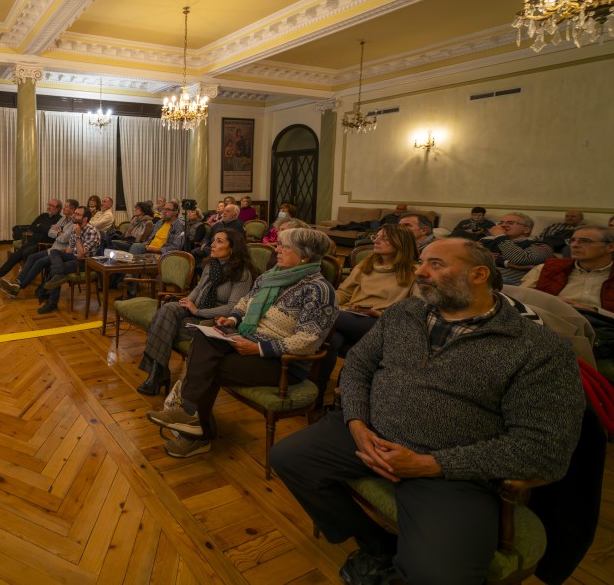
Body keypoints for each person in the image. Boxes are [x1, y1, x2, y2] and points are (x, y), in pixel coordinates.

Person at [269, 238, 584, 585]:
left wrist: (432, 465)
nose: (420, 271)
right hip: (369, 433)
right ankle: (377, 545)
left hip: (451, 467)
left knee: (441, 575)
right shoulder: (406, 313)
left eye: (436, 264)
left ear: (478, 274)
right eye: (421, 262)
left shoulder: (535, 348)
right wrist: (356, 421)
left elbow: (546, 448)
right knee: (288, 457)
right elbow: (359, 363)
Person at [145, 227, 337, 458]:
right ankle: (191, 419)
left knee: (208, 366)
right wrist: (233, 318)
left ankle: (195, 429)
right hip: (246, 340)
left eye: (285, 247)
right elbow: (245, 302)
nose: (277, 250)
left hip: (281, 362)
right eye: (279, 245)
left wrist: (259, 348)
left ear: (305, 255)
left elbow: (308, 340)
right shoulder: (272, 276)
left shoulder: (318, 290)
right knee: (204, 334)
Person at [136, 228, 260, 395]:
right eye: (214, 240)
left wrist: (198, 310)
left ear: (233, 248)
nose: (212, 244)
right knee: (167, 309)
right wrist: (188, 301)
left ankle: (157, 373)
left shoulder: (242, 272)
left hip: (216, 318)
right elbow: (199, 288)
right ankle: (158, 372)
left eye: (219, 241)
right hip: (197, 308)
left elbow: (233, 307)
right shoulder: (211, 264)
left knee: (163, 324)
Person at [316, 224, 418, 400]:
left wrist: (378, 314)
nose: (376, 240)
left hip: (383, 322)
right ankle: (320, 395)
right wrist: (330, 303)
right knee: (331, 339)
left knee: (328, 318)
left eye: (384, 238)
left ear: (401, 243)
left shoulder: (413, 272)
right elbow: (343, 292)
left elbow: (415, 311)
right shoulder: (366, 265)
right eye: (376, 237)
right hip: (352, 317)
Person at [521, 225, 614, 356]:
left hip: (602, 332)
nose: (575, 245)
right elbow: (521, 302)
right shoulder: (546, 269)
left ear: (610, 247)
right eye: (572, 240)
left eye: (585, 241)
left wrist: (591, 310)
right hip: (550, 325)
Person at [34, 206, 102, 314]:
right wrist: (61, 258)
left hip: (86, 262)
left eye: (77, 214)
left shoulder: (92, 231)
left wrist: (78, 235)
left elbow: (81, 255)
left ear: (85, 218)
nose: (74, 216)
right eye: (74, 213)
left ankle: (52, 303)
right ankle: (58, 276)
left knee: (53, 269)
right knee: (54, 252)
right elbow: (70, 250)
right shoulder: (75, 227)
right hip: (74, 257)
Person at [0, 198, 62, 286]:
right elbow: (32, 227)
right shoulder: (43, 215)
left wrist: (41, 226)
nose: (49, 207)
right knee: (14, 256)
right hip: (32, 242)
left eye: (51, 206)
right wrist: (45, 227)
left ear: (57, 209)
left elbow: (51, 233)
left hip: (43, 245)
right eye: (48, 205)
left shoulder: (59, 220)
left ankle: (23, 279)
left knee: (26, 253)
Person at [480, 212, 553, 286]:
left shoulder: (541, 246)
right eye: (501, 222)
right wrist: (506, 263)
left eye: (511, 223)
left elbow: (521, 260)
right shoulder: (487, 241)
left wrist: (500, 236)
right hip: (481, 278)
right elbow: (472, 259)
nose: (503, 225)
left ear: (526, 230)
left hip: (512, 285)